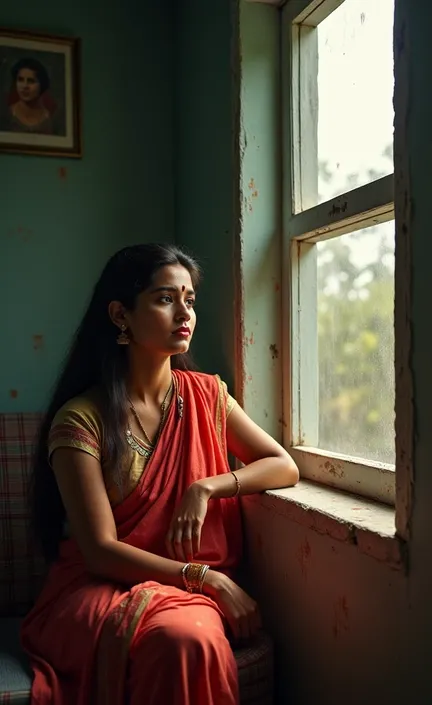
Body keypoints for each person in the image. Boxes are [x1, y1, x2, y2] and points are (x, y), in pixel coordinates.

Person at [21, 243, 299, 705]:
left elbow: (283, 466)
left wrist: (206, 486)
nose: (184, 312)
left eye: (189, 299)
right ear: (120, 314)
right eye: (165, 298)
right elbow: (100, 552)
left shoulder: (207, 397)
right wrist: (208, 578)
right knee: (180, 639)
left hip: (182, 596)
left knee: (186, 638)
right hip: (100, 588)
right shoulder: (81, 419)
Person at [6, 58, 53, 134]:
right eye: (20, 80)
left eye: (31, 81)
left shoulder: (49, 119)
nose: (25, 86)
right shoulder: (7, 114)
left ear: (42, 84)